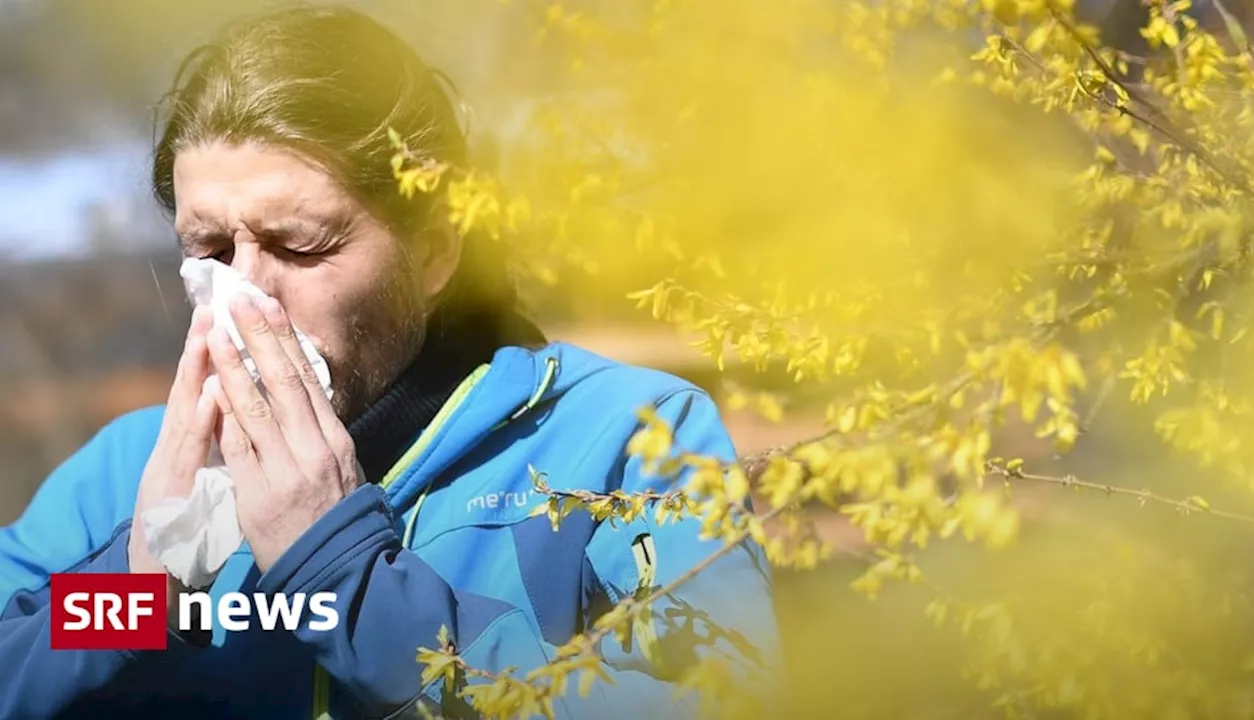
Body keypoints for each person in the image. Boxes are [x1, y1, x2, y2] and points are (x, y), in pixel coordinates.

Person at [0, 6, 779, 719]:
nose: (245, 293)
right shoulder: (128, 472)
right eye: (209, 250)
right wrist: (136, 594)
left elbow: (718, 699)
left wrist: (352, 584)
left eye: (299, 245)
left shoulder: (624, 440)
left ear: (434, 252)